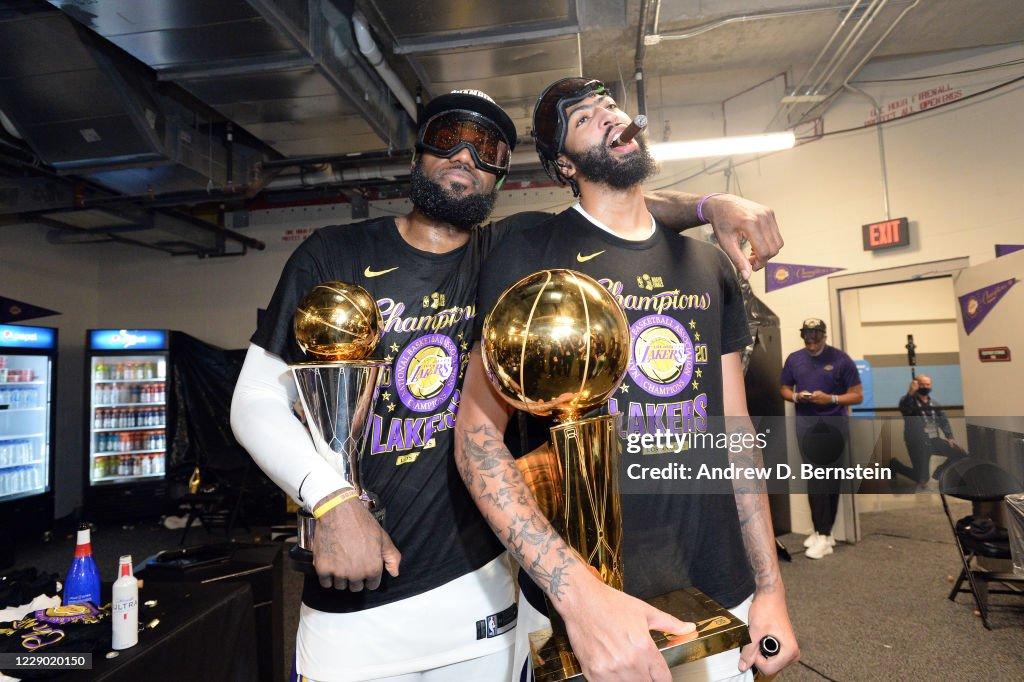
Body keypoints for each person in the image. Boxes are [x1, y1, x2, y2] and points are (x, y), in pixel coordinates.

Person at [231, 87, 787, 681]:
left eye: (489, 147)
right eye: (448, 138)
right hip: (356, 598)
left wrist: (712, 206)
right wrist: (330, 500)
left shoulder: (508, 251)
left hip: (484, 599)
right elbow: (256, 401)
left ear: (502, 174)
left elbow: (618, 213)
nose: (466, 157)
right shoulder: (334, 252)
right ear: (418, 149)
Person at [455, 77, 798, 682]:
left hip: (720, 587)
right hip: (590, 609)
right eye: (584, 117)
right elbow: (477, 438)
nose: (610, 116)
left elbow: (736, 431)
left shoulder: (707, 262)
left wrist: (770, 588)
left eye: (610, 105)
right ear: (563, 163)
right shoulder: (525, 249)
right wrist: (579, 598)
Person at [779, 318, 862, 560]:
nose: (812, 344)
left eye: (816, 340)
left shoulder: (840, 359)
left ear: (824, 336)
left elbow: (857, 395)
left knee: (828, 480)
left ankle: (825, 535)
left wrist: (832, 399)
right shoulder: (795, 359)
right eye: (808, 339)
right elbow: (783, 388)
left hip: (834, 427)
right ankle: (820, 531)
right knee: (814, 480)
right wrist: (796, 396)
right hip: (806, 427)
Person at [892, 374, 966, 487]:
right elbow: (904, 408)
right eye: (922, 384)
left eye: (928, 384)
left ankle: (939, 472)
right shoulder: (909, 402)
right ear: (916, 386)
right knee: (922, 479)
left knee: (960, 453)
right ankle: (895, 465)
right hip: (917, 443)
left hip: (933, 440)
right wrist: (910, 392)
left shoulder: (934, 403)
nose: (925, 387)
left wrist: (950, 437)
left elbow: (943, 421)